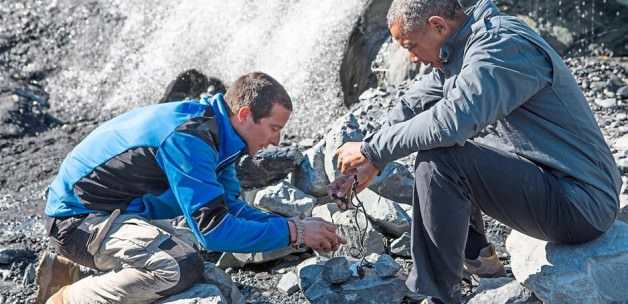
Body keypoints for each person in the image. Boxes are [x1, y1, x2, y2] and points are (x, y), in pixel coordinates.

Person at [332, 0, 621, 303]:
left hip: (582, 203)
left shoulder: (500, 46)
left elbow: (451, 123)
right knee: (448, 149)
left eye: (411, 45)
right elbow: (413, 103)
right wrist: (370, 160)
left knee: (442, 158)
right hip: (553, 185)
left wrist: (373, 150)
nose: (411, 57)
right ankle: (482, 263)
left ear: (438, 26)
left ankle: (436, 295)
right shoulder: (460, 48)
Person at [36, 72, 345, 304]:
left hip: (108, 213)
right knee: (179, 266)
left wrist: (294, 226)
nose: (277, 141)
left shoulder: (219, 133)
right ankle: (66, 298)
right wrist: (295, 234)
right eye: (274, 128)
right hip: (76, 221)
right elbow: (213, 231)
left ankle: (73, 268)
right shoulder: (190, 139)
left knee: (186, 249)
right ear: (245, 115)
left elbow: (231, 208)